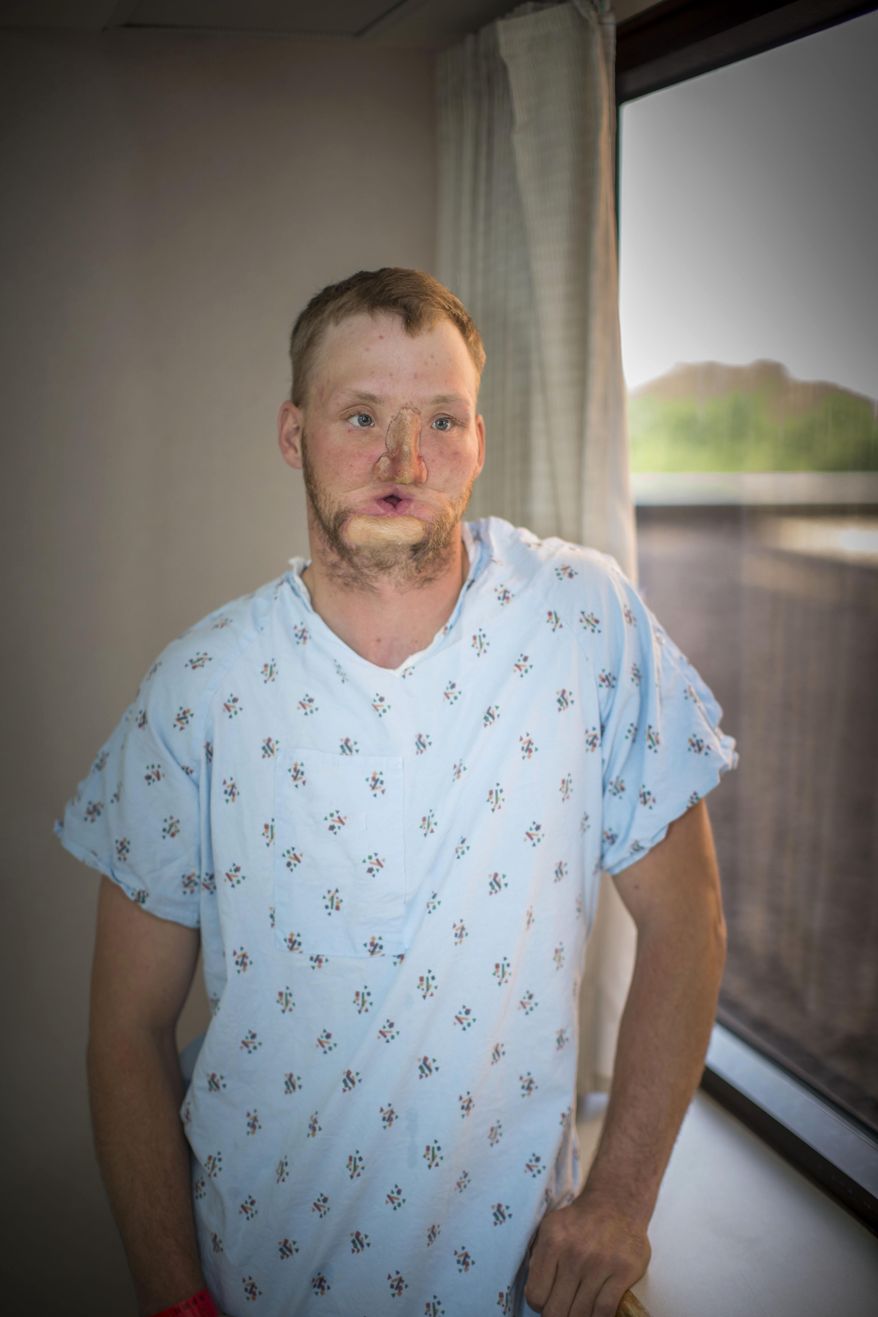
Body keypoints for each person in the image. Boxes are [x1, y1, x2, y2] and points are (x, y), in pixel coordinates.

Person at [54, 267, 737, 1317]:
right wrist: (177, 1301)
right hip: (253, 1279)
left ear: (478, 440)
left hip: (513, 1287)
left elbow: (688, 921)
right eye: (362, 416)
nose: (403, 459)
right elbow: (125, 1033)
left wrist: (619, 1200)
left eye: (440, 421)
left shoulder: (581, 622)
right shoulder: (199, 689)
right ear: (294, 434)